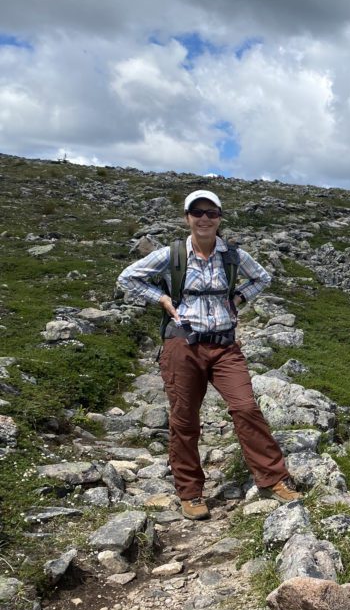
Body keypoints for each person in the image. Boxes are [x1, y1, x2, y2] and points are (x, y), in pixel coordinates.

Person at [117, 189, 301, 520]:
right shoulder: (172, 254)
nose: (204, 218)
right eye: (197, 212)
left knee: (245, 407)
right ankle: (190, 493)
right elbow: (127, 278)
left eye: (211, 213)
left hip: (225, 345)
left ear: (219, 218)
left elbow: (262, 277)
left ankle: (272, 479)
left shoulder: (232, 255)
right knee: (184, 418)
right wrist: (162, 299)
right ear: (187, 218)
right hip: (182, 345)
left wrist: (239, 298)